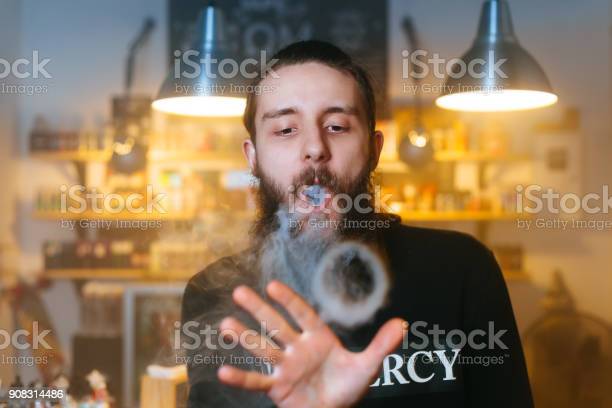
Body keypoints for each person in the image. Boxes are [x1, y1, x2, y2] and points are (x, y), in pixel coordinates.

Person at [181, 40, 533, 407]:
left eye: (337, 126)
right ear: (253, 158)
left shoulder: (462, 270)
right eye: (285, 129)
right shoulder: (213, 294)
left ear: (374, 149)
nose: (315, 147)